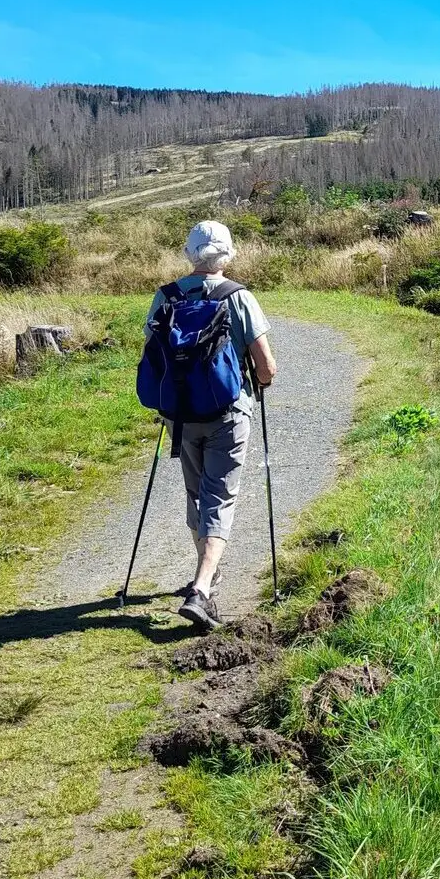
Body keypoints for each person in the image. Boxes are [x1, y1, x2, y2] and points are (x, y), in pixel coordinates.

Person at [144, 220, 277, 631]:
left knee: (197, 493)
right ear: (228, 255)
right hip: (228, 412)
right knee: (220, 496)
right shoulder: (239, 297)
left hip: (180, 415)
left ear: (190, 254)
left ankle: (207, 574)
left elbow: (153, 356)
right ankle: (201, 589)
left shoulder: (165, 297)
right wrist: (262, 379)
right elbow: (266, 367)